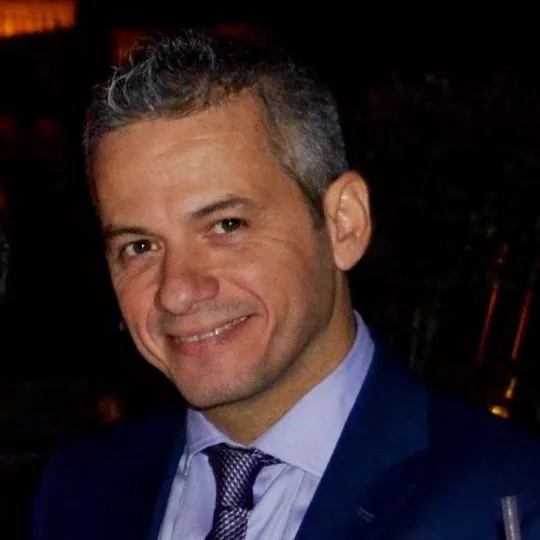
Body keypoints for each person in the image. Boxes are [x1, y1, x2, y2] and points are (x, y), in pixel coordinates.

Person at [30, 29, 540, 540]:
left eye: (227, 225)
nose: (177, 291)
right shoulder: (80, 491)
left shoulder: (508, 498)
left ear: (343, 223)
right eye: (140, 246)